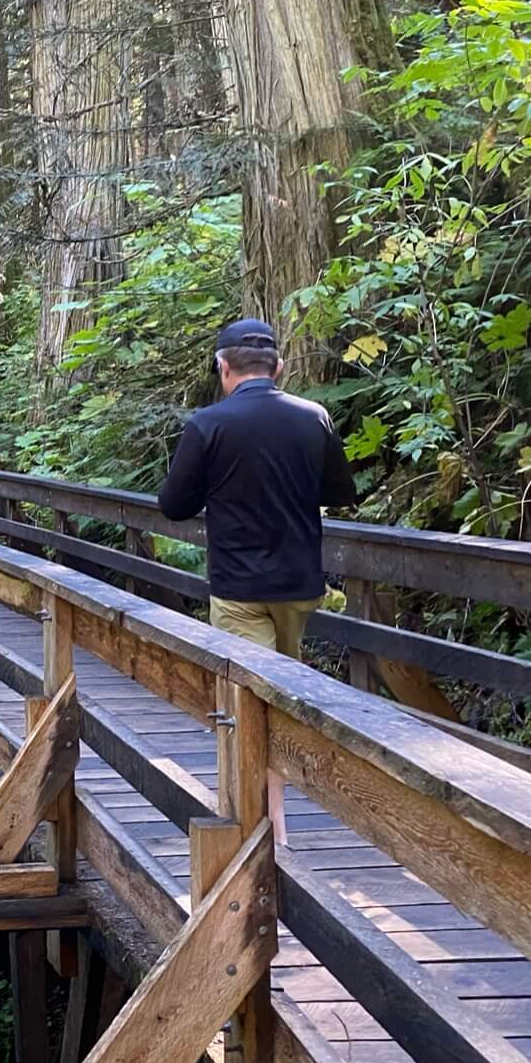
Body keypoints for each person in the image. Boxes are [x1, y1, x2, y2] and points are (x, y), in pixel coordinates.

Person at [156, 317, 359, 843]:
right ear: (279, 368)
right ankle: (274, 816)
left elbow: (174, 505)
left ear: (223, 367)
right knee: (281, 695)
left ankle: (265, 826)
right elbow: (340, 490)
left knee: (247, 700)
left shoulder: (209, 424)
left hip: (239, 587)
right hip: (298, 585)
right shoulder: (313, 417)